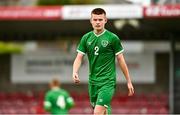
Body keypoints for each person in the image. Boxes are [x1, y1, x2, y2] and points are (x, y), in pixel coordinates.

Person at [72, 8, 134, 115]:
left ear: (105, 20)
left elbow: (121, 59)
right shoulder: (86, 38)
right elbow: (79, 57)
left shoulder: (112, 38)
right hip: (93, 82)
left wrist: (128, 81)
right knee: (102, 110)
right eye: (95, 20)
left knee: (97, 112)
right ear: (91, 21)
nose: (97, 22)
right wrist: (75, 72)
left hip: (107, 82)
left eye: (100, 19)